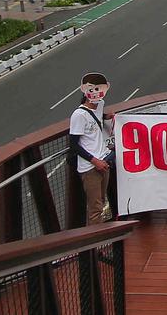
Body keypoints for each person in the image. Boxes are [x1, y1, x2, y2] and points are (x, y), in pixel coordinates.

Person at [69, 72, 112, 224]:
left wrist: (107, 117)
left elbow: (98, 115)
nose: (96, 93)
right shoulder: (79, 115)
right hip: (90, 167)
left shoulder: (100, 104)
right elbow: (74, 144)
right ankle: (98, 245)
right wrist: (95, 161)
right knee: (96, 208)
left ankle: (102, 241)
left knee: (101, 199)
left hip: (103, 161)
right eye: (92, 90)